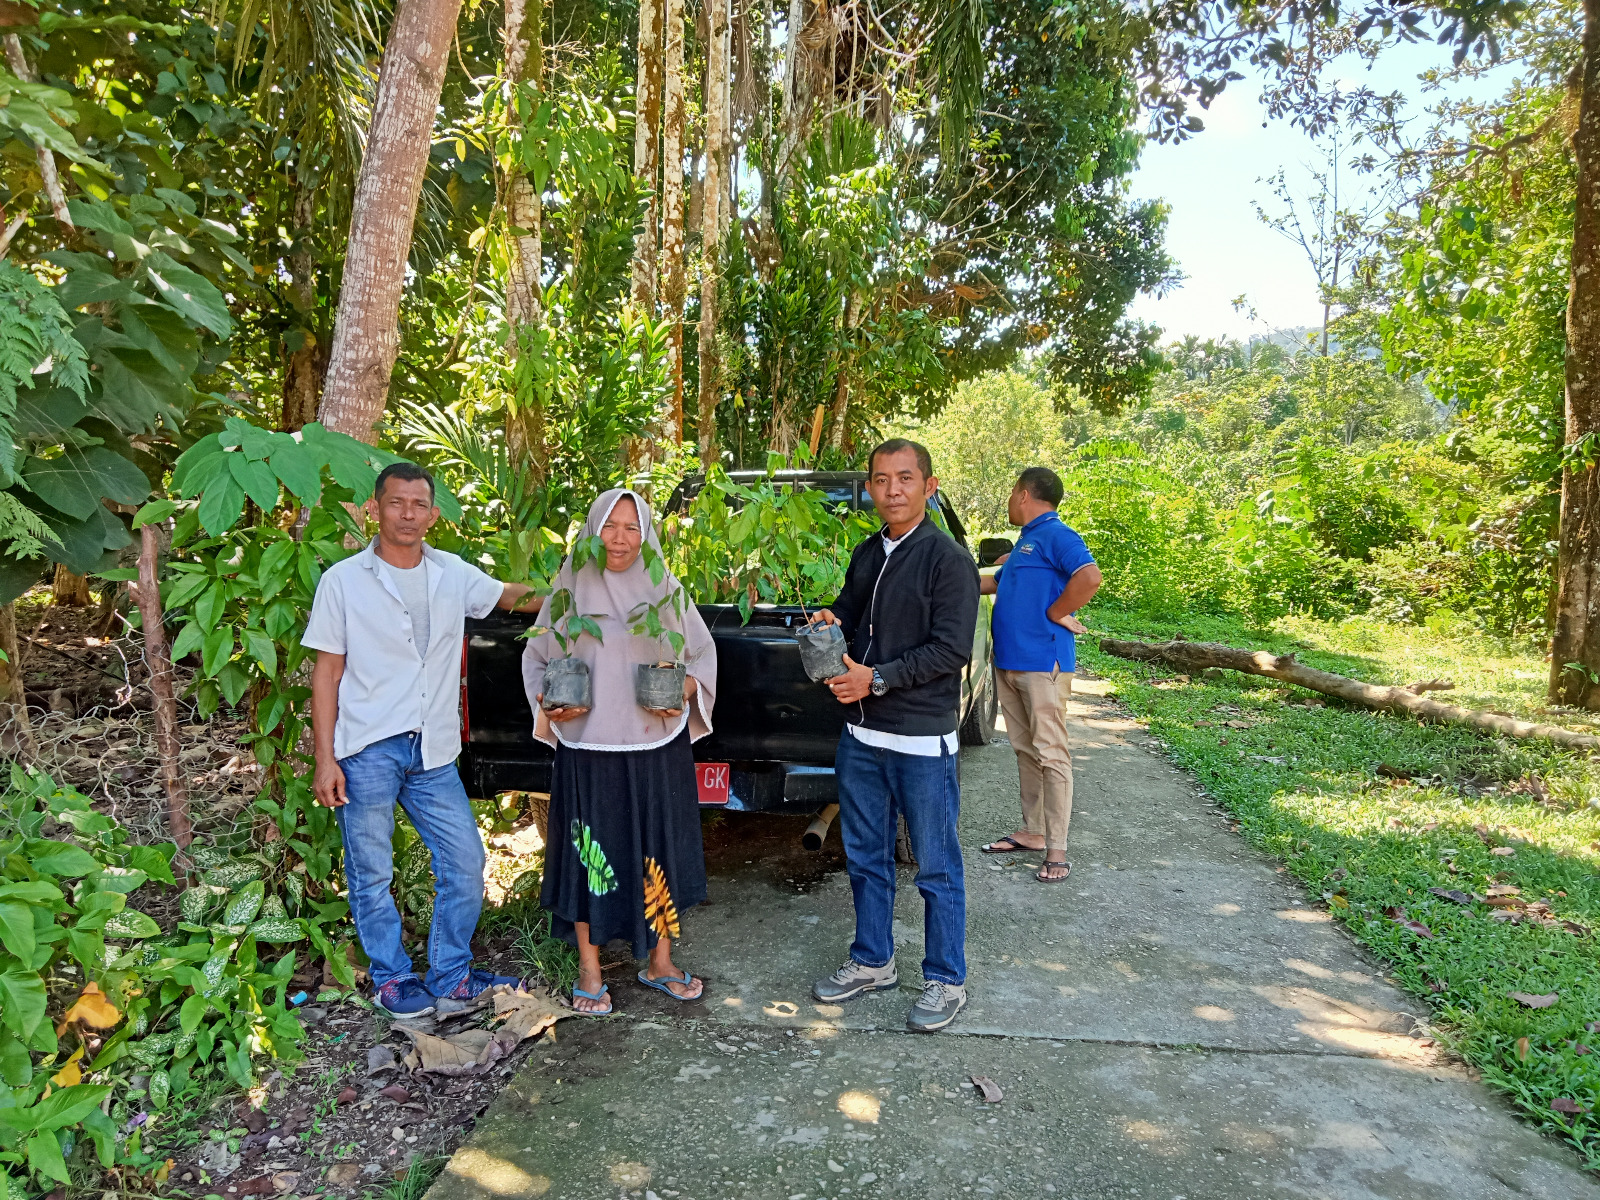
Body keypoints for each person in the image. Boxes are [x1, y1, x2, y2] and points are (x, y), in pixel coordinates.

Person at [305, 462, 540, 1018]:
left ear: (433, 514)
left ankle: (451, 974)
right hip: (367, 749)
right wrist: (325, 759)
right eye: (396, 503)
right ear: (374, 508)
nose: (408, 514)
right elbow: (326, 673)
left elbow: (510, 596)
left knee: (464, 861)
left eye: (418, 505)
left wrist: (582, 590)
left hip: (432, 750)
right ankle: (391, 978)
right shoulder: (343, 580)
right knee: (372, 871)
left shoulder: (450, 572)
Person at [521, 489, 717, 1016]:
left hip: (655, 744)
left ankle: (661, 960)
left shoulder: (663, 588)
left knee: (658, 851)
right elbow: (537, 655)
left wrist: (688, 689)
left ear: (647, 533)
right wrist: (548, 701)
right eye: (611, 526)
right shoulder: (569, 589)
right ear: (593, 529)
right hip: (588, 746)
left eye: (633, 527)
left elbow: (701, 652)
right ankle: (590, 970)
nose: (621, 538)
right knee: (590, 856)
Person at [808, 439, 980, 1033]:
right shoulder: (867, 553)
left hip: (920, 743)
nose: (892, 490)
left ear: (928, 486)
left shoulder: (948, 560)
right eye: (881, 480)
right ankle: (872, 960)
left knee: (935, 865)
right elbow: (852, 616)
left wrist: (874, 678)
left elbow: (950, 650)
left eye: (905, 478)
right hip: (862, 736)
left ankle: (945, 978)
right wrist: (833, 619)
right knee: (865, 856)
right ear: (870, 488)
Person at [977, 466, 1101, 882]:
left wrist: (1056, 612)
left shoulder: (1057, 535)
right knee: (1026, 750)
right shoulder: (1025, 544)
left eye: (1012, 494)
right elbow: (989, 584)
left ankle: (1058, 849)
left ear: (1024, 493)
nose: (1010, 502)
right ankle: (1033, 831)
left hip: (1042, 664)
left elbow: (1089, 576)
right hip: (1010, 663)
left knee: (1051, 753)